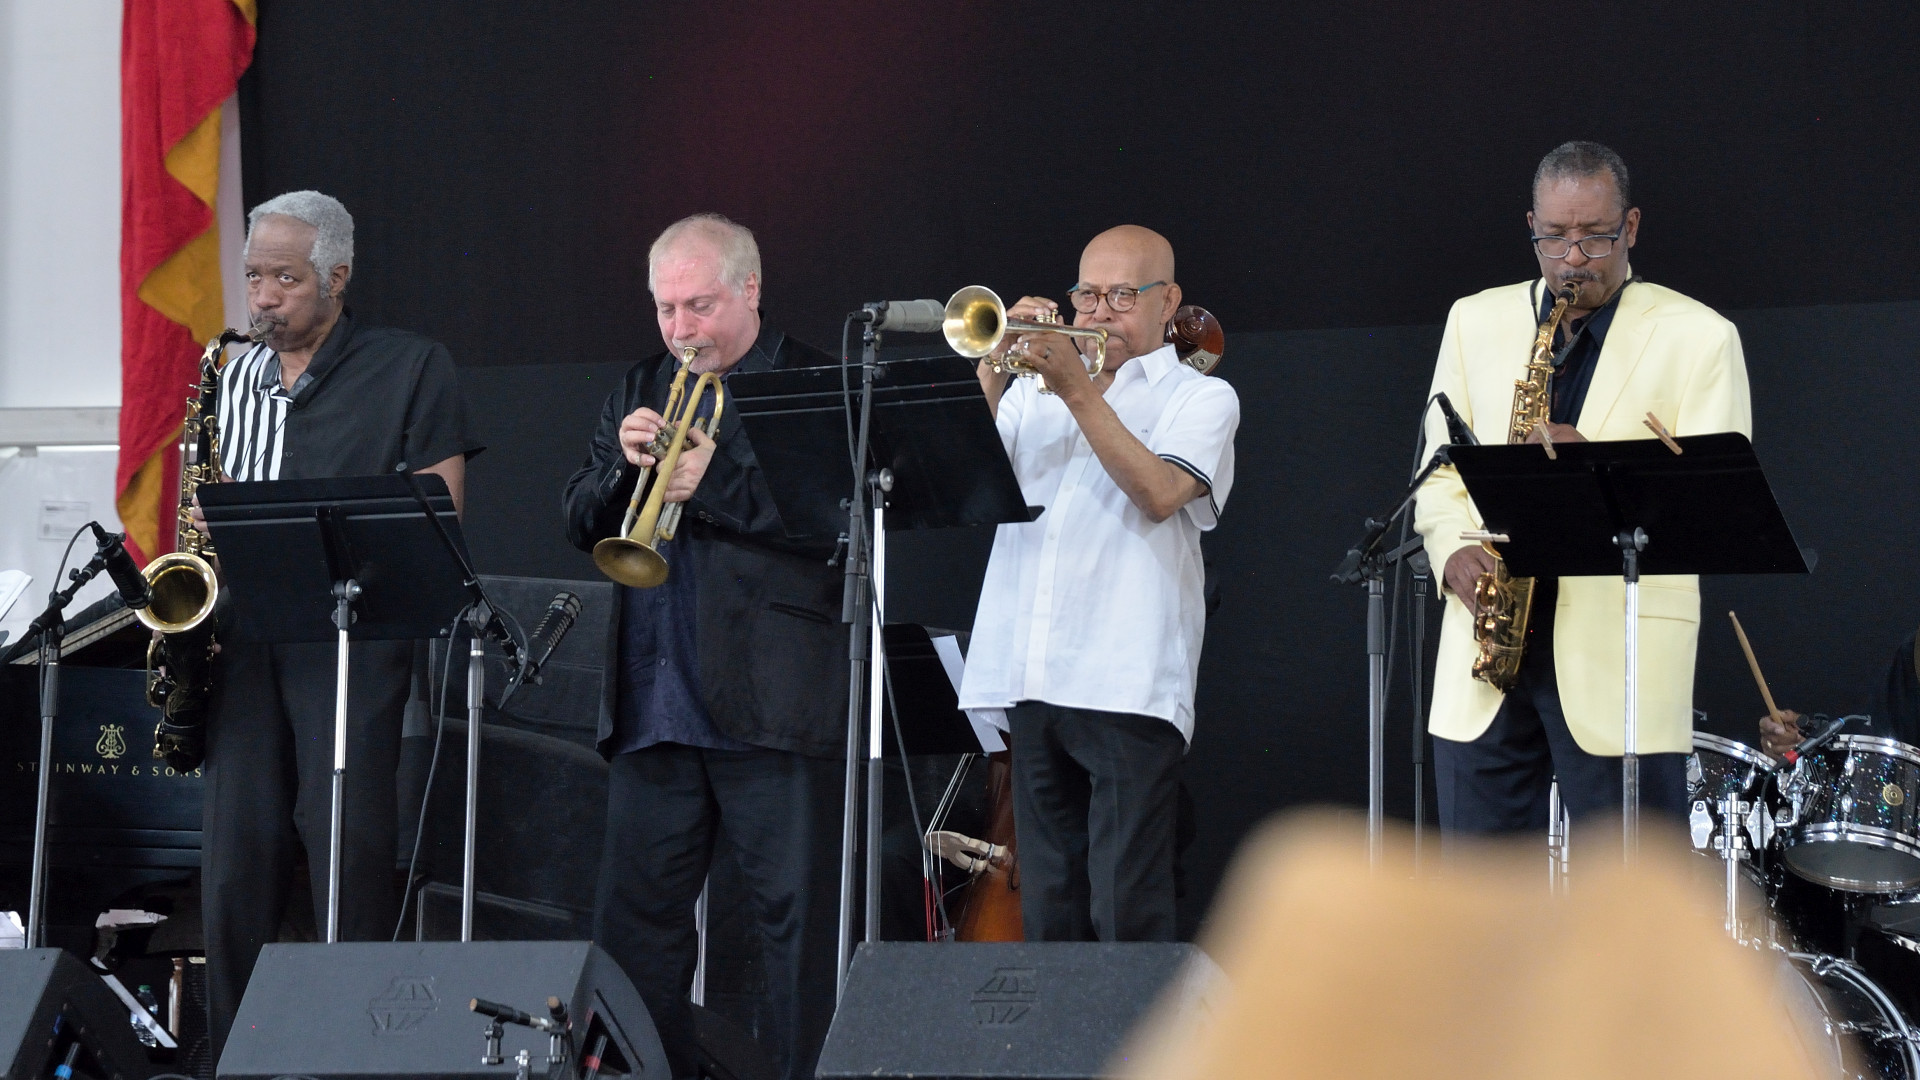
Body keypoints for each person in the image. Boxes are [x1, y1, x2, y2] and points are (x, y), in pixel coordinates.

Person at [562, 214, 845, 1080]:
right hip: (655, 703)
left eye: (699, 306)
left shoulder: (812, 381)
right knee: (634, 933)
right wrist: (621, 466)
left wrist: (712, 481)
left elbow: (836, 524)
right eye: (665, 310)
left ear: (751, 290)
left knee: (794, 934)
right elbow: (577, 518)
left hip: (772, 703)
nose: (680, 331)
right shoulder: (639, 383)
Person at [199, 190, 479, 1055]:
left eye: (285, 278)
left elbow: (442, 515)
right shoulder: (225, 372)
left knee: (346, 845)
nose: (264, 297)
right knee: (235, 851)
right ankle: (236, 1049)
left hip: (350, 638)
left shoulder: (410, 365)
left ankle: (347, 1048)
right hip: (242, 637)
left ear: (336, 277)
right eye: (253, 277)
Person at [1415, 142, 1753, 837]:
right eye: (1555, 237)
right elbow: (1440, 470)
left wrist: (1594, 468)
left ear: (1629, 227)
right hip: (1489, 648)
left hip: (1620, 659)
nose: (1573, 258)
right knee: (1480, 907)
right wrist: (1451, 552)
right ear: (1531, 228)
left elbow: (1712, 506)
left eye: (1594, 237)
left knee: (1626, 914)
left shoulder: (1702, 337)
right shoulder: (1473, 321)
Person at [957, 225, 1240, 942]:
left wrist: (1078, 390)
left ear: (1168, 300)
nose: (1097, 313)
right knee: (1046, 899)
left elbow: (1159, 492)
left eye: (1121, 296)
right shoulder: (1032, 393)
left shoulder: (1202, 398)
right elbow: (968, 485)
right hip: (1031, 669)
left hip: (1125, 677)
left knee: (1125, 899)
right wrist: (991, 372)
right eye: (1087, 294)